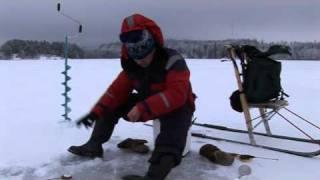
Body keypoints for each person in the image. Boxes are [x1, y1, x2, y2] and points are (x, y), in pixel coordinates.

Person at [68, 13, 196, 180]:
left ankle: (154, 176)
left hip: (178, 106)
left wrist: (143, 107)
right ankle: (94, 145)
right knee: (112, 105)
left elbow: (177, 94)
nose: (141, 61)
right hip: (148, 105)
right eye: (136, 57)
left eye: (145, 55)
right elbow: (114, 93)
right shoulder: (132, 67)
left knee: (173, 132)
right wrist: (95, 112)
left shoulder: (172, 60)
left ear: (153, 47)